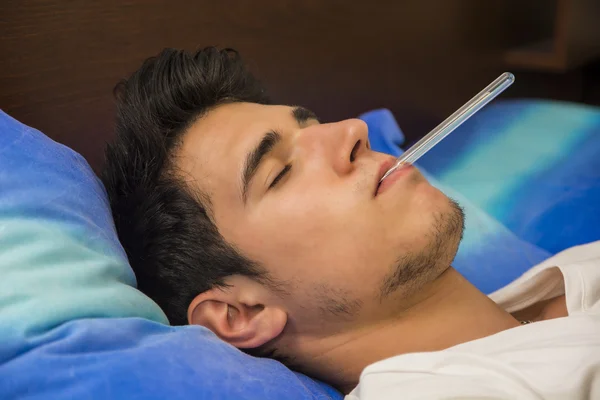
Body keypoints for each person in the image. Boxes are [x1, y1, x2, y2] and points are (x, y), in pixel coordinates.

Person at [101, 47, 600, 399]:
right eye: (280, 173)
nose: (354, 131)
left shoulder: (576, 277)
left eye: (314, 125)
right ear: (241, 313)